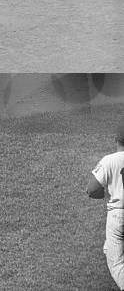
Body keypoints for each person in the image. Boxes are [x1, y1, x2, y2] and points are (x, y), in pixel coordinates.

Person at [87, 122, 124, 290]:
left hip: (118, 216)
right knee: (108, 248)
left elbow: (92, 189)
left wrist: (107, 195)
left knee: (116, 264)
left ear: (116, 139)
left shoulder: (109, 160)